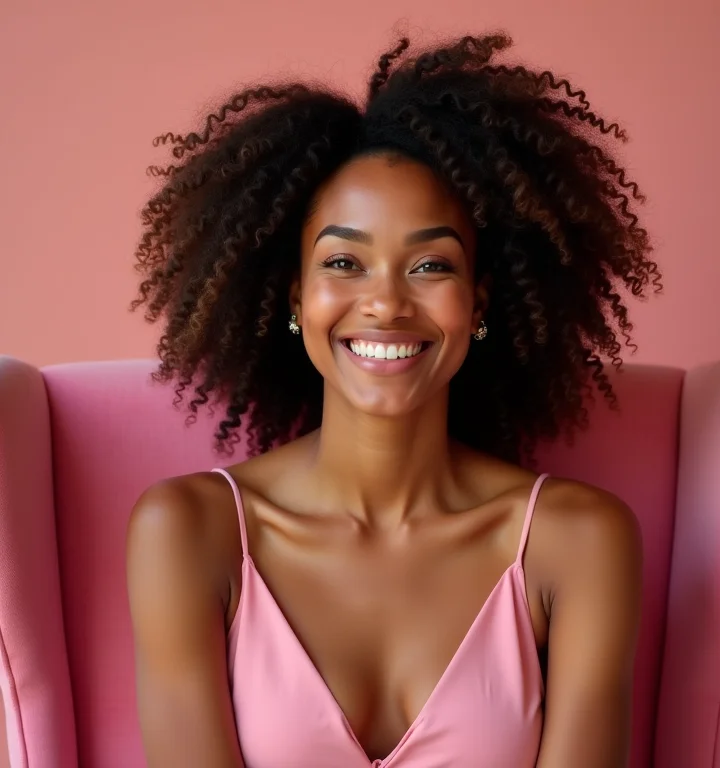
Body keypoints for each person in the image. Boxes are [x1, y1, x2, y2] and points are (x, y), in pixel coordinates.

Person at [126, 31, 659, 768]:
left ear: (479, 302)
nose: (384, 303)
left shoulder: (576, 542)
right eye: (344, 261)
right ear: (294, 296)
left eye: (430, 264)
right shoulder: (189, 533)